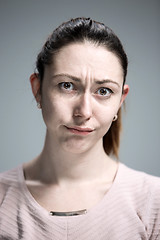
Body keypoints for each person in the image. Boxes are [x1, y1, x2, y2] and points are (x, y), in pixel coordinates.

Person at [0, 17, 159, 240]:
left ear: (120, 100)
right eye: (67, 86)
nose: (84, 111)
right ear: (37, 89)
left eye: (103, 91)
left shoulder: (153, 202)